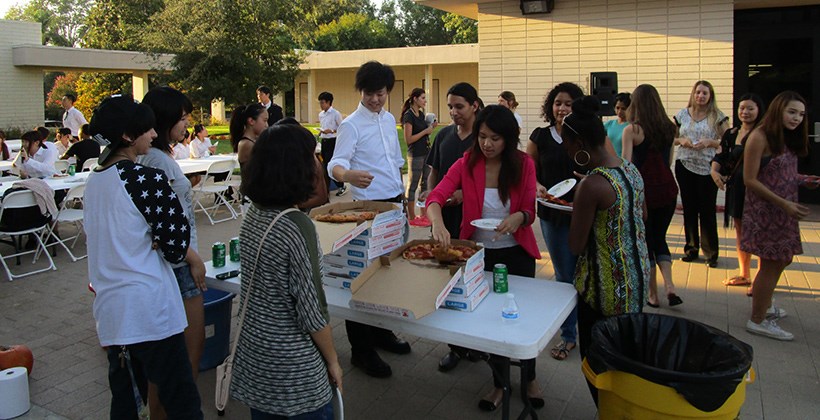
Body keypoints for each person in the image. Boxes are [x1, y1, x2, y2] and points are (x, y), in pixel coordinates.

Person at [84, 95, 203, 419]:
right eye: (146, 128)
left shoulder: (93, 182)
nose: (153, 134)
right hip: (151, 311)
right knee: (181, 400)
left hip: (112, 313)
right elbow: (177, 242)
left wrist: (152, 236)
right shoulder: (143, 179)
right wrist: (158, 238)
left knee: (126, 401)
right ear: (127, 135)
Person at [427, 105, 542, 412]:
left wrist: (518, 217)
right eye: (482, 137)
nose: (487, 144)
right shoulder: (467, 163)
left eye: (495, 138)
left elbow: (530, 209)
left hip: (515, 253)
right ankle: (500, 384)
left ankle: (529, 378)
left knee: (521, 318)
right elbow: (435, 197)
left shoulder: (524, 164)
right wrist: (437, 222)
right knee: (491, 323)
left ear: (509, 138)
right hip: (478, 255)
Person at [232, 123, 342, 418]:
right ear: (295, 167)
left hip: (257, 358)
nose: (317, 163)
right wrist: (333, 359)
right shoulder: (297, 226)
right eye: (312, 156)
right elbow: (312, 310)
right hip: (294, 372)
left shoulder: (254, 211)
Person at [326, 61, 411, 378]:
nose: (375, 99)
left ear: (388, 91)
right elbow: (334, 164)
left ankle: (381, 332)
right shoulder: (351, 124)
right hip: (369, 209)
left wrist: (406, 202)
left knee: (389, 275)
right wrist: (347, 175)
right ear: (360, 91)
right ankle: (361, 349)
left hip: (395, 206)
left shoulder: (389, 120)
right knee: (363, 278)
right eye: (369, 93)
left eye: (380, 93)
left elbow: (396, 162)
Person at [563, 96, 650, 404]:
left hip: (603, 292)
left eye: (569, 145)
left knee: (597, 364)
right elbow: (643, 218)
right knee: (625, 359)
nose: (568, 152)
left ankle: (609, 410)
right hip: (635, 284)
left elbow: (575, 244)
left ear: (581, 144)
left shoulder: (593, 186)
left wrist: (576, 207)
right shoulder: (631, 171)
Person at [141, 86, 208, 420]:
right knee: (183, 362)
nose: (187, 124)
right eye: (182, 118)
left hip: (177, 263)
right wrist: (193, 259)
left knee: (168, 365)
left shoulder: (159, 157)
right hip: (179, 265)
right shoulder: (154, 161)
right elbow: (160, 224)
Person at [420, 82, 482, 373]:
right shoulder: (444, 135)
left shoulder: (483, 140)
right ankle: (455, 347)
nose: (454, 112)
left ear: (474, 106)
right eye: (450, 107)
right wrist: (433, 195)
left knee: (474, 280)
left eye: (459, 106)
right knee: (448, 281)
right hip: (442, 221)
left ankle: (478, 343)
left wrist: (463, 196)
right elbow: (434, 171)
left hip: (474, 222)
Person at [742, 91, 813, 341]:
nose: (797, 118)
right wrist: (783, 203)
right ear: (778, 109)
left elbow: (780, 173)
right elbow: (749, 180)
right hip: (766, 213)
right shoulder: (759, 136)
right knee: (772, 263)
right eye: (792, 112)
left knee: (782, 260)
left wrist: (804, 180)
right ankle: (758, 320)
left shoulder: (786, 137)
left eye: (801, 114)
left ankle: (765, 303)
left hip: (783, 213)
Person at [526, 81, 584, 361]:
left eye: (569, 104)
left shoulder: (585, 135)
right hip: (553, 213)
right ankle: (569, 336)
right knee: (564, 276)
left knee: (586, 274)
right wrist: (536, 185)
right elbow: (528, 170)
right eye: (558, 103)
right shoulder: (540, 136)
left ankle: (592, 330)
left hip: (585, 213)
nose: (562, 108)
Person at [621, 84, 681, 308]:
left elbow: (627, 164)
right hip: (667, 189)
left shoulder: (632, 130)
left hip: (644, 194)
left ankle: (653, 295)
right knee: (661, 238)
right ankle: (671, 287)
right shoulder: (670, 127)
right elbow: (669, 161)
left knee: (646, 242)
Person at [711, 93, 766, 289]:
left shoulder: (763, 134)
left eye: (750, 108)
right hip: (737, 188)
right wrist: (714, 171)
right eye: (742, 108)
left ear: (759, 110)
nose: (745, 112)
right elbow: (721, 157)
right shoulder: (732, 133)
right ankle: (744, 273)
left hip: (757, 190)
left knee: (757, 233)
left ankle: (761, 280)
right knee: (741, 232)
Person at [674, 80, 729, 268]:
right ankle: (691, 248)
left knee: (707, 211)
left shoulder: (717, 116)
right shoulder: (682, 114)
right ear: (693, 94)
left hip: (708, 168)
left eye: (705, 93)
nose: (701, 96)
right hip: (685, 165)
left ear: (710, 96)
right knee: (689, 209)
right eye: (698, 92)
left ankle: (711, 253)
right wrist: (682, 140)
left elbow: (728, 141)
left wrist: (711, 142)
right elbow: (671, 139)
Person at [401, 88, 436, 226]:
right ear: (415, 99)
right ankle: (411, 215)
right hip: (415, 154)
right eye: (422, 98)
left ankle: (423, 213)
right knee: (413, 185)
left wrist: (430, 128)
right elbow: (408, 139)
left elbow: (424, 134)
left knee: (425, 183)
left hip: (426, 152)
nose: (425, 100)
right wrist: (425, 131)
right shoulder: (408, 116)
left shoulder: (420, 114)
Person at [318, 92, 346, 197]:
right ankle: (327, 187)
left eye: (322, 103)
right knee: (324, 164)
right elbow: (323, 126)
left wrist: (332, 131)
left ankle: (341, 185)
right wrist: (321, 131)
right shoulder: (321, 114)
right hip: (324, 141)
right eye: (320, 103)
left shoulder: (335, 114)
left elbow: (342, 128)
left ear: (328, 102)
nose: (321, 105)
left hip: (332, 141)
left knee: (332, 164)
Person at [229, 103, 268, 172]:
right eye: (264, 120)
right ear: (251, 121)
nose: (267, 125)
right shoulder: (246, 144)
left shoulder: (254, 141)